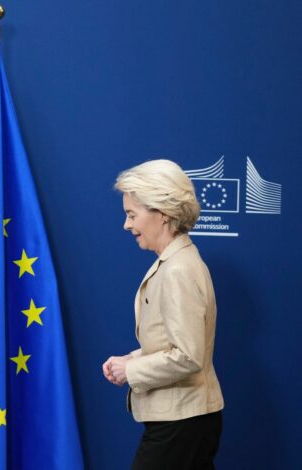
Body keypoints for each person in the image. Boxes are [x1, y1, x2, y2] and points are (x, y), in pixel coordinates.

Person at [102, 159, 225, 469]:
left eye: (132, 215)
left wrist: (131, 371)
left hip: (181, 421)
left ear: (163, 213)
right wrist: (131, 358)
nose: (126, 225)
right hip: (186, 418)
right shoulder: (176, 262)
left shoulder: (178, 270)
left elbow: (187, 355)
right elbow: (172, 341)